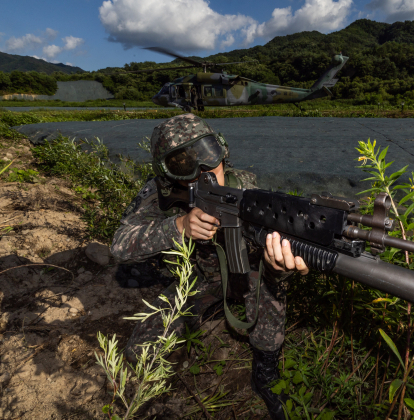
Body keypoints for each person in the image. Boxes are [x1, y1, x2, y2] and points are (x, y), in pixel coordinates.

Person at [110, 113, 308, 420]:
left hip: (249, 276)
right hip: (199, 279)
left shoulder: (247, 188)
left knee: (271, 287)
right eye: (183, 163)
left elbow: (274, 238)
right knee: (139, 353)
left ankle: (265, 371)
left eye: (208, 153)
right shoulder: (160, 192)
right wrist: (178, 225)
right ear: (167, 172)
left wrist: (275, 264)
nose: (205, 170)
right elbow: (120, 246)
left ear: (221, 149)